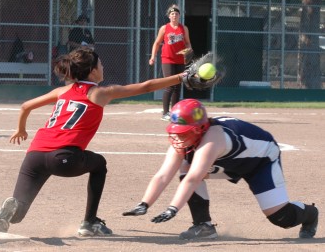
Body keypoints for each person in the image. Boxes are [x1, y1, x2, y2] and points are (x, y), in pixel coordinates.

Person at [0, 47, 189, 237]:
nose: (103, 67)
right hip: (64, 157)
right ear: (93, 71)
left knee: (19, 211)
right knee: (99, 164)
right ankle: (89, 222)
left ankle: (12, 208)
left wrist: (21, 129)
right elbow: (146, 86)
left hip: (34, 156)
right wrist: (181, 77)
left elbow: (25, 106)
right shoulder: (98, 93)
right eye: (100, 64)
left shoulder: (63, 90)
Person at [123, 99, 319, 240]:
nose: (178, 138)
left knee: (281, 218)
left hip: (260, 161)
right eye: (175, 132)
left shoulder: (213, 139)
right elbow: (163, 174)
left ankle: (311, 213)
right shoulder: (185, 142)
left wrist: (172, 209)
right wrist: (145, 204)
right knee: (186, 167)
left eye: (184, 133)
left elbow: (193, 179)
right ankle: (204, 226)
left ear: (199, 129)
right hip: (229, 162)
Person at [149, 4, 192, 121]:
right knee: (169, 85)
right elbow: (157, 43)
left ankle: (175, 112)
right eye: (172, 13)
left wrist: (189, 50)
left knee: (178, 86)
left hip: (180, 60)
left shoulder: (184, 28)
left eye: (176, 13)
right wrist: (153, 56)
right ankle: (165, 113)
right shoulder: (164, 28)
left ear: (179, 16)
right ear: (169, 16)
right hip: (167, 59)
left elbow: (187, 43)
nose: (174, 15)